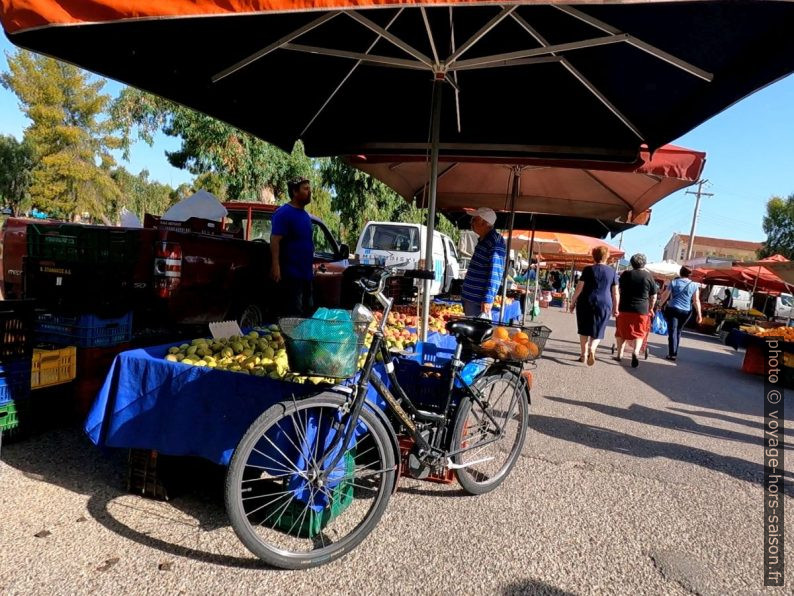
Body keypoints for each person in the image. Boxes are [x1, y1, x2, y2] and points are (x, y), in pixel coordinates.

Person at [270, 177, 314, 317]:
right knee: (293, 315)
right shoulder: (284, 213)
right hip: (291, 275)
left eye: (309, 188)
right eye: (305, 189)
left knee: (307, 313)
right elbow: (275, 239)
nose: (309, 192)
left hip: (306, 274)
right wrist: (276, 266)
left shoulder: (305, 216)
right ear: (295, 192)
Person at [569, 246, 619, 366]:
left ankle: (583, 354)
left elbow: (579, 288)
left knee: (584, 329)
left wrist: (572, 302)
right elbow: (615, 292)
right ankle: (592, 348)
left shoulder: (587, 270)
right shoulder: (612, 272)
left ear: (594, 256)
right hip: (604, 302)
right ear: (607, 257)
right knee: (599, 328)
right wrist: (616, 308)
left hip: (586, 301)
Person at [461, 207, 506, 319]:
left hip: (477, 301)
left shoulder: (495, 242)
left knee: (477, 333)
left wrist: (488, 298)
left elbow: (495, 273)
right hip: (472, 299)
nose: (471, 222)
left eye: (474, 219)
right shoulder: (484, 240)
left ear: (485, 223)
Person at [614, 253, 657, 368]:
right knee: (639, 332)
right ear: (644, 263)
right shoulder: (649, 276)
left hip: (624, 308)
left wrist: (615, 305)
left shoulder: (625, 274)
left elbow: (618, 290)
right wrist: (651, 308)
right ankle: (636, 352)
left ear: (631, 263)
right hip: (641, 310)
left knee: (621, 331)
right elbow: (653, 296)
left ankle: (620, 354)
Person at [658, 266, 703, 361]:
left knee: (672, 331)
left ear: (680, 272)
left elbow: (666, 295)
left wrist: (660, 305)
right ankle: (675, 352)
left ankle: (672, 354)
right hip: (686, 311)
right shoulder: (694, 285)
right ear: (689, 274)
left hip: (673, 309)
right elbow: (696, 301)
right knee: (678, 331)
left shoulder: (674, 282)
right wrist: (699, 314)